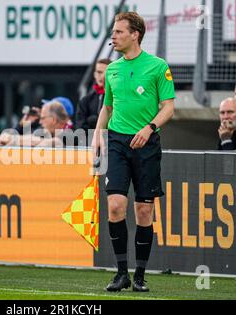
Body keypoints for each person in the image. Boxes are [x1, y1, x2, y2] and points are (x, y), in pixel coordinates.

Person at [92, 12, 175, 292]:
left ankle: (139, 275)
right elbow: (108, 107)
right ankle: (121, 273)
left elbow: (169, 107)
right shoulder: (112, 70)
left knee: (143, 211)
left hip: (147, 144)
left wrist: (149, 128)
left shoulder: (157, 66)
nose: (113, 37)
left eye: (118, 32)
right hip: (117, 142)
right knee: (115, 206)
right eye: (113, 32)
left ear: (134, 34)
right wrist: (97, 134)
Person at [0, 101, 71, 147]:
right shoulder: (45, 131)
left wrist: (11, 138)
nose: (40, 121)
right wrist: (21, 125)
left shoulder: (70, 133)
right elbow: (2, 138)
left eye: (42, 118)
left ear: (54, 120)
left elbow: (55, 142)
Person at [76, 58, 112, 134]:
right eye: (99, 72)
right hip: (91, 143)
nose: (102, 76)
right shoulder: (85, 101)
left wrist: (92, 121)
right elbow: (80, 129)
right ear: (94, 74)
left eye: (106, 73)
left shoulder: (119, 98)